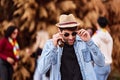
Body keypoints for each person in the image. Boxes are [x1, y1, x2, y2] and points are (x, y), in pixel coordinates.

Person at [35, 14, 105, 80]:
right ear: (59, 31)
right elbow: (41, 69)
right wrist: (53, 47)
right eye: (66, 34)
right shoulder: (51, 44)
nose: (71, 37)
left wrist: (89, 42)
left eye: (74, 34)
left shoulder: (84, 42)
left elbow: (101, 62)